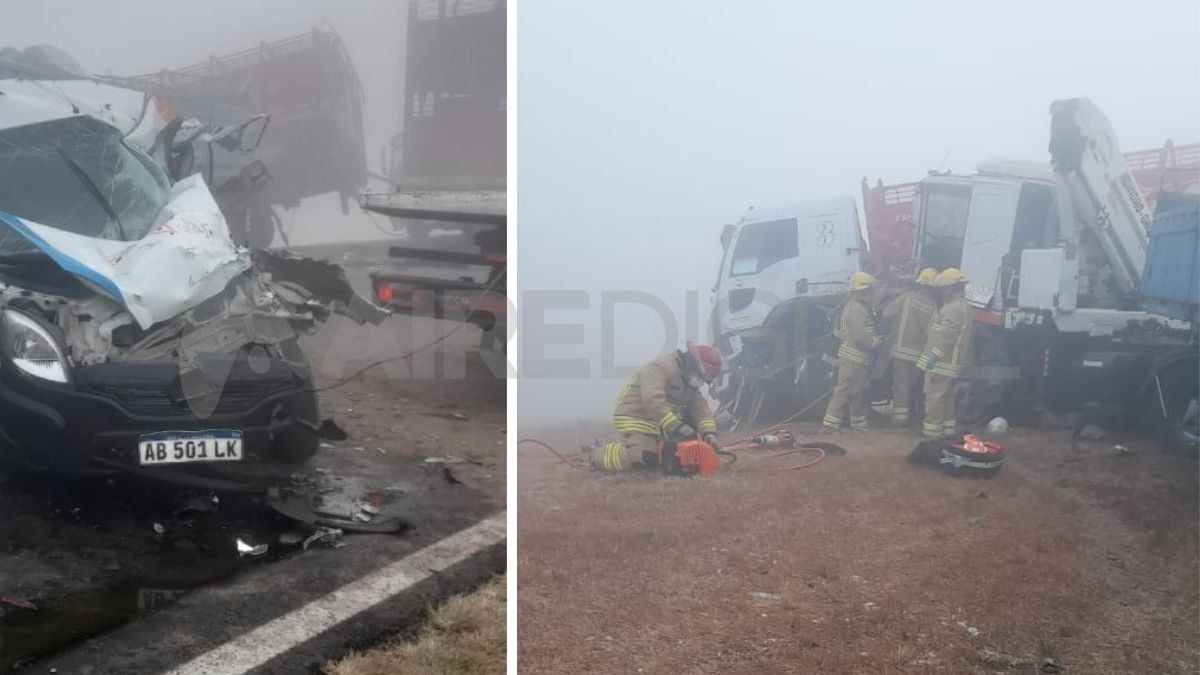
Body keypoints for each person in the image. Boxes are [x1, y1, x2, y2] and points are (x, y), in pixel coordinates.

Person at [594, 343, 722, 471]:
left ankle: (638, 443)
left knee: (671, 453)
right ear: (692, 363)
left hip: (660, 420)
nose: (699, 381)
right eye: (699, 376)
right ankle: (597, 455)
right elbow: (652, 401)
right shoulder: (660, 367)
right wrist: (677, 427)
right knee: (646, 457)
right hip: (635, 416)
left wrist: (709, 433)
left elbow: (701, 409)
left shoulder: (688, 380)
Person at [821, 272, 881, 433]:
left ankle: (858, 426)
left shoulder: (859, 307)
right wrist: (875, 342)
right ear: (862, 291)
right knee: (844, 392)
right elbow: (859, 335)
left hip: (859, 359)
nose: (872, 294)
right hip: (852, 359)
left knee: (858, 392)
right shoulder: (855, 309)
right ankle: (829, 428)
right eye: (869, 290)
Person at [880, 268, 938, 428]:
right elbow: (931, 332)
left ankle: (900, 422)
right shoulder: (934, 307)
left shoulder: (907, 297)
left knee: (901, 387)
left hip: (900, 351)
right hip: (918, 355)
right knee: (912, 386)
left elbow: (886, 313)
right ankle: (912, 416)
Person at [917, 267, 971, 437]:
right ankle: (948, 433)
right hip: (950, 364)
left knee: (934, 398)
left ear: (950, 288)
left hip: (941, 364)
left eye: (943, 288)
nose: (941, 292)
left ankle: (931, 434)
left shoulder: (952, 308)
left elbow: (947, 336)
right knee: (947, 398)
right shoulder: (963, 306)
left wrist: (933, 356)